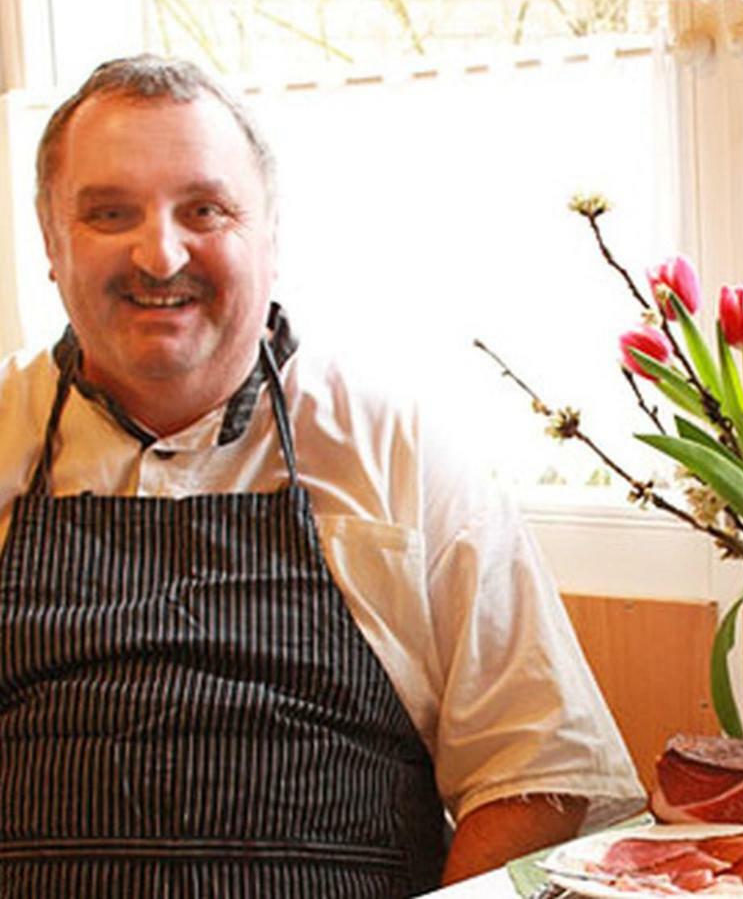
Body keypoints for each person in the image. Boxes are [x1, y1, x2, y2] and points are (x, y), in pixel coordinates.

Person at [0, 54, 645, 895]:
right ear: (52, 243)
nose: (159, 255)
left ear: (270, 238)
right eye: (109, 213)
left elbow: (542, 777)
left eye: (205, 209)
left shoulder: (402, 454)